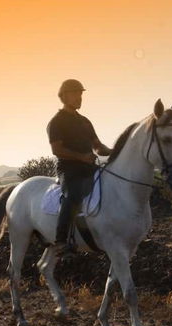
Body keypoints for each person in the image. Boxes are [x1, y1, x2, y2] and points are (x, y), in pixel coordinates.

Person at [47, 79, 112, 253]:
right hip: (69, 169)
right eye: (76, 94)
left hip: (89, 166)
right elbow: (57, 149)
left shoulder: (85, 121)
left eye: (81, 94)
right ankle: (61, 240)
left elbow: (97, 146)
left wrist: (115, 151)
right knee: (73, 195)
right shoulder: (57, 121)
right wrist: (81, 157)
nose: (79, 97)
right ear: (64, 96)